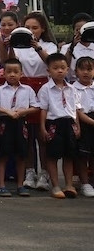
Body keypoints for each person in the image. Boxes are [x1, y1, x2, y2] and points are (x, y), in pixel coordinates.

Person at [12, 11, 57, 191]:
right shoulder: (18, 46)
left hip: (43, 89)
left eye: (35, 28)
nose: (31, 31)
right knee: (28, 135)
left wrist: (37, 47)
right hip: (25, 89)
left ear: (43, 29)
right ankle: (30, 171)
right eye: (28, 28)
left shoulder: (49, 45)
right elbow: (10, 61)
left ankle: (45, 174)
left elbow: (52, 63)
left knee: (42, 134)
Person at [0, 59, 39, 197]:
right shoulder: (0, 90)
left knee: (21, 155)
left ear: (21, 73)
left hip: (21, 123)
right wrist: (7, 112)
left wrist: (22, 112)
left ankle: (20, 185)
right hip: (4, 123)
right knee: (3, 155)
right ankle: (1, 185)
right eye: (9, 72)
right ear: (4, 73)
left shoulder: (28, 90)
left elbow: (36, 106)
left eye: (15, 72)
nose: (12, 74)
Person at [37, 53, 80, 199]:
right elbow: (43, 109)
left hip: (69, 122)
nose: (59, 71)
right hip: (53, 123)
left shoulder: (72, 89)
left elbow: (76, 109)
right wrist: (42, 127)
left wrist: (77, 126)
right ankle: (55, 185)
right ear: (48, 71)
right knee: (52, 155)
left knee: (69, 155)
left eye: (63, 68)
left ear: (68, 70)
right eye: (55, 68)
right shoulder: (45, 89)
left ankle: (69, 184)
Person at [73, 56, 94, 197]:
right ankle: (84, 183)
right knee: (83, 155)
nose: (86, 72)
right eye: (82, 69)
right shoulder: (73, 88)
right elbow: (77, 111)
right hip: (84, 121)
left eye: (89, 69)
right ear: (76, 71)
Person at [61, 13, 94, 82]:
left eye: (83, 30)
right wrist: (72, 46)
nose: (81, 33)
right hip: (73, 83)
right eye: (77, 30)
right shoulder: (66, 48)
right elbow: (63, 65)